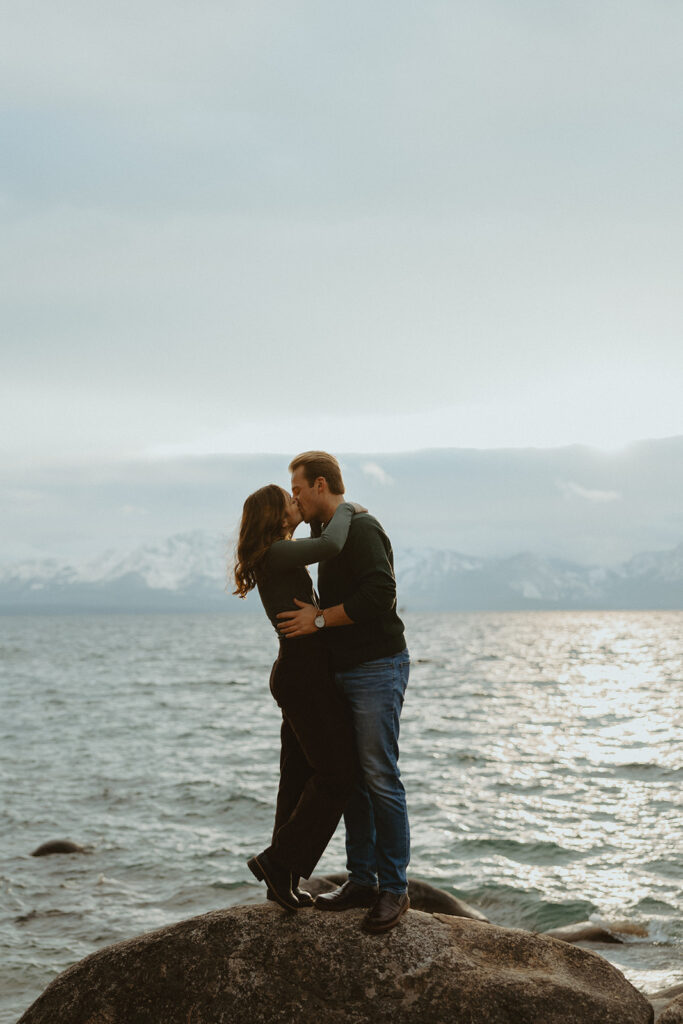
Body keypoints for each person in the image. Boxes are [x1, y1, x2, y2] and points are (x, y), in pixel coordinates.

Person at [277, 451, 411, 934]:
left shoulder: (362, 529)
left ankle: (394, 888)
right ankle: (362, 880)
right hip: (343, 670)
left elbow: (381, 594)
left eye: (296, 490)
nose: (294, 498)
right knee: (353, 777)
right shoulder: (324, 534)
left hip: (377, 667)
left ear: (318, 484)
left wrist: (318, 620)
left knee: (379, 775)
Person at [233, 484, 363, 911]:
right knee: (338, 775)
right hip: (303, 678)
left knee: (297, 777)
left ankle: (279, 881)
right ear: (275, 515)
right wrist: (344, 507)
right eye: (288, 501)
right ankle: (277, 861)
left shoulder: (274, 555)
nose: (296, 503)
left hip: (297, 673)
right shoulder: (276, 552)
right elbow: (331, 543)